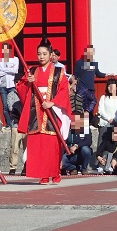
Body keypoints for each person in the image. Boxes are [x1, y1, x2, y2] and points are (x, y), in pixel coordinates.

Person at [17, 37, 72, 184]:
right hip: (37, 111)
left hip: (52, 111)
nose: (41, 57)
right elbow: (21, 88)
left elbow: (63, 91)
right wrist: (27, 83)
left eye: (44, 54)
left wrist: (52, 103)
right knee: (39, 145)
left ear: (51, 55)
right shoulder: (32, 71)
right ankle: (43, 175)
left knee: (52, 145)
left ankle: (55, 173)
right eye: (39, 54)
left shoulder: (59, 72)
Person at [73, 45, 109, 114]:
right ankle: (81, 124)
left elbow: (98, 73)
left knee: (90, 108)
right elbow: (75, 75)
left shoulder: (94, 64)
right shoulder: (79, 63)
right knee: (80, 109)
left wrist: (107, 74)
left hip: (91, 89)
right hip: (82, 88)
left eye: (91, 53)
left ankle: (88, 123)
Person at [0, 42, 19, 130]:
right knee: (5, 106)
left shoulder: (15, 59)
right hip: (2, 85)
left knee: (12, 105)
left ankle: (14, 122)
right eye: (3, 49)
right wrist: (9, 69)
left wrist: (4, 70)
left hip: (11, 85)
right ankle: (8, 124)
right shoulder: (0, 60)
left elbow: (15, 70)